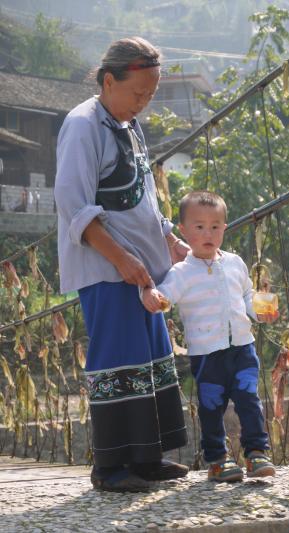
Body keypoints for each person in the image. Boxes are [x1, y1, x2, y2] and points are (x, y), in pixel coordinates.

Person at [54, 37, 189, 492]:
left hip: (141, 270)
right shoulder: (83, 125)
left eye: (150, 95)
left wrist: (168, 237)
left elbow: (144, 196)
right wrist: (124, 260)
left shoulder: (128, 126)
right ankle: (110, 468)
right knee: (117, 362)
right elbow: (74, 206)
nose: (144, 103)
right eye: (138, 94)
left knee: (149, 360)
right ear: (109, 81)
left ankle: (147, 459)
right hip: (108, 270)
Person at [142, 191, 276, 482]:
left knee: (249, 401)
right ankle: (217, 459)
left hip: (243, 348)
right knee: (211, 407)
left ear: (224, 229)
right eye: (199, 227)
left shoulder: (236, 263)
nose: (208, 233)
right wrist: (152, 295)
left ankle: (256, 453)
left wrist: (259, 311)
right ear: (184, 231)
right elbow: (165, 297)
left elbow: (247, 297)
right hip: (207, 355)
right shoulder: (181, 273)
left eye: (215, 226)